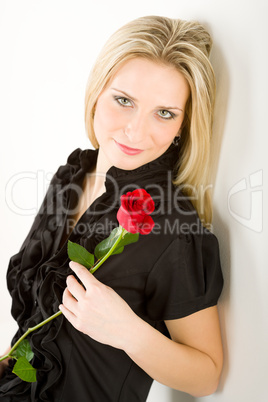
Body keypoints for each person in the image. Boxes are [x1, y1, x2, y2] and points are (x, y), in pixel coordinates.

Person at [0, 15, 224, 402]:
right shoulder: (71, 177)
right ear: (97, 92)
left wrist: (126, 330)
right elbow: (35, 328)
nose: (136, 131)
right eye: (124, 101)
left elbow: (207, 377)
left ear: (182, 128)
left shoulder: (174, 227)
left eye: (164, 113)